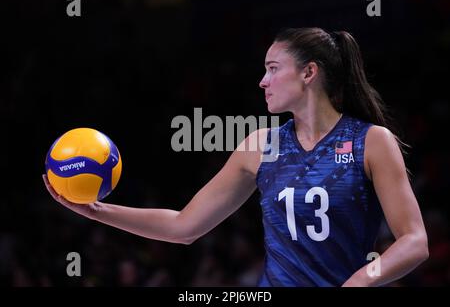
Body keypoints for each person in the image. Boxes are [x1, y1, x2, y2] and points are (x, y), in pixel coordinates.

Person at [43, 27, 429, 287]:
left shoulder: (371, 141)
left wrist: (362, 279)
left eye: (273, 69)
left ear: (309, 73)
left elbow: (413, 240)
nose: (262, 80)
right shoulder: (260, 145)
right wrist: (97, 212)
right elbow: (184, 227)